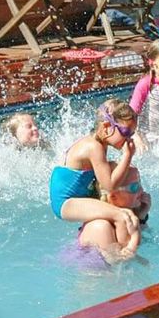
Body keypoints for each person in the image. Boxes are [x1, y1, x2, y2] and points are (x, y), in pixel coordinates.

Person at [49, 99, 141, 263]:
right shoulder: (94, 147)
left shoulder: (98, 142)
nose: (128, 140)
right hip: (66, 202)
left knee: (124, 212)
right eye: (126, 132)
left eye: (132, 134)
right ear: (107, 127)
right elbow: (109, 185)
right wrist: (127, 155)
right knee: (120, 216)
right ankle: (123, 257)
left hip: (76, 197)